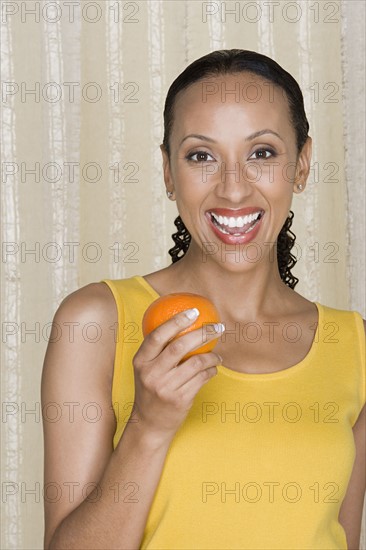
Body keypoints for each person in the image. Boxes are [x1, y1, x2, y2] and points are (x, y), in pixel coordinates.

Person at [41, 49, 365, 549]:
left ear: (301, 165)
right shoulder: (95, 323)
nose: (233, 188)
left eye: (262, 153)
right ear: (169, 173)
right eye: (201, 156)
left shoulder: (356, 346)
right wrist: (149, 426)